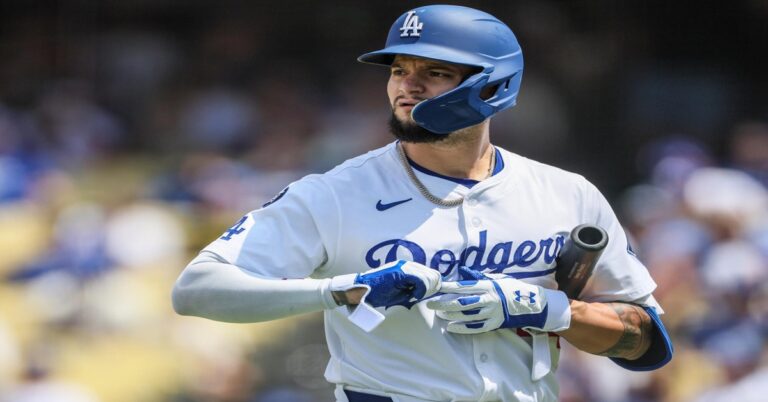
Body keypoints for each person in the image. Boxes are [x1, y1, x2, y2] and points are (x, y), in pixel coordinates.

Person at [172, 5, 673, 402]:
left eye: (434, 72)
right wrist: (342, 290)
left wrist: (547, 309)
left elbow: (644, 341)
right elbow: (196, 289)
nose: (406, 86)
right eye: (398, 69)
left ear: (492, 85)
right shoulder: (335, 193)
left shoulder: (567, 193)